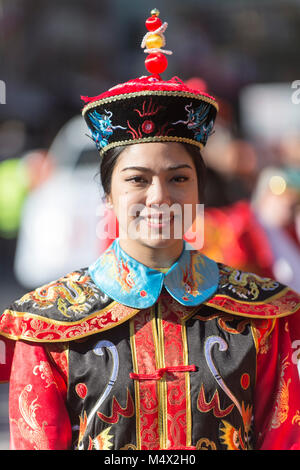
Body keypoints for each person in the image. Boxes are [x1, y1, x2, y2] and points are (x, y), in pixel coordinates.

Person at [0, 9, 300, 451]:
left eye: (178, 178)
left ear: (199, 189)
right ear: (108, 194)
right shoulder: (49, 327)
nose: (159, 196)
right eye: (137, 180)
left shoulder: (264, 318)